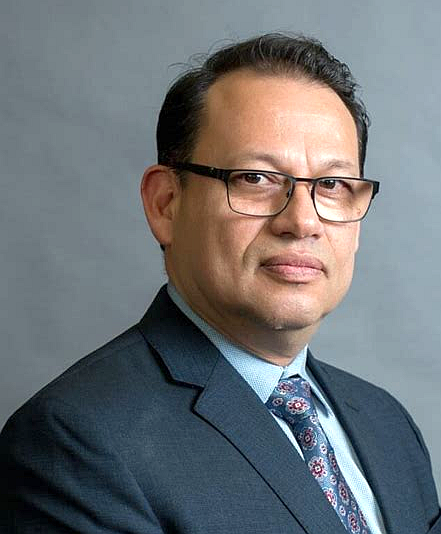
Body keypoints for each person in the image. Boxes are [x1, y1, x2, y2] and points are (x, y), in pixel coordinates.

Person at [0, 33, 439, 534]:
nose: (302, 222)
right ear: (166, 204)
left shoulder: (387, 424)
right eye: (255, 178)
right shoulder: (76, 442)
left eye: (332, 185)